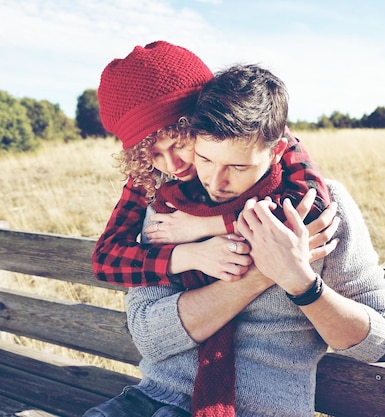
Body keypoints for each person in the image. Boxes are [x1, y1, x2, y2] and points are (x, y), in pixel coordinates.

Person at [86, 63, 385, 417]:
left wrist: (302, 283)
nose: (215, 182)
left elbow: (373, 342)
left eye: (237, 167)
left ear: (277, 151)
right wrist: (260, 275)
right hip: (155, 397)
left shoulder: (318, 209)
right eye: (204, 158)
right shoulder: (168, 208)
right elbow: (148, 336)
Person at [92, 41, 335, 287]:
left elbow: (311, 205)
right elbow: (105, 259)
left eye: (180, 144)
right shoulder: (150, 173)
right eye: (155, 154)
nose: (172, 165)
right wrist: (190, 256)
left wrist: (207, 225)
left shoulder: (258, 136)